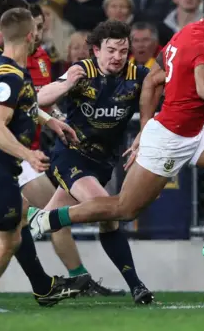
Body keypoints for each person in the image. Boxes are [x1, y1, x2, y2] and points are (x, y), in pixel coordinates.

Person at [30, 4, 204, 270]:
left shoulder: (188, 31)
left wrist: (143, 128)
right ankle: (47, 219)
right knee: (123, 209)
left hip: (195, 130)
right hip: (170, 137)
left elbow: (153, 79)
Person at [0, 6, 126, 298]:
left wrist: (50, 121)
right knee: (12, 237)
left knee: (26, 223)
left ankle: (47, 287)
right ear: (29, 34)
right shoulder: (9, 74)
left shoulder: (4, 69)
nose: (40, 35)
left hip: (0, 163)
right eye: (36, 31)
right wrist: (27, 154)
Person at [27, 19, 155, 304]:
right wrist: (66, 85)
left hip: (102, 165)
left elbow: (162, 105)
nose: (117, 57)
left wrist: (144, 135)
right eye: (111, 50)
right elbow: (38, 98)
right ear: (96, 50)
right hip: (71, 156)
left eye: (123, 51)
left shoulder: (139, 77)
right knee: (109, 212)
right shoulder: (81, 71)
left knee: (33, 227)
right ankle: (138, 287)